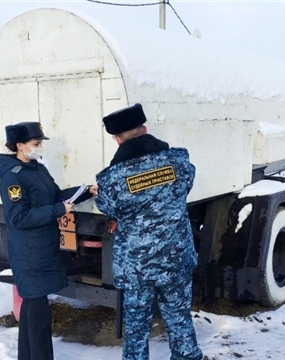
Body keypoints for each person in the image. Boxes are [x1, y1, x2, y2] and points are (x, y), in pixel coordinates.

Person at [95, 104, 203, 360]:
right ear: (144, 129)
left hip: (137, 268)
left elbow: (107, 206)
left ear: (116, 139)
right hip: (176, 260)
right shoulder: (178, 161)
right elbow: (187, 183)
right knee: (179, 319)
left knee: (136, 328)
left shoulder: (111, 179)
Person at [0, 121, 97, 360]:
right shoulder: (13, 177)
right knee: (39, 315)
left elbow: (56, 196)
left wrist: (84, 192)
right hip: (29, 252)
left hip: (42, 248)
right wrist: (57, 210)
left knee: (33, 311)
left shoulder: (37, 169)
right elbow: (18, 217)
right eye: (36, 143)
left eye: (40, 143)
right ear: (19, 146)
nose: (40, 147)